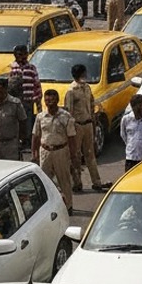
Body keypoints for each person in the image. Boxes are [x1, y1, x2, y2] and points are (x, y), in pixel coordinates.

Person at [31, 89, 78, 212]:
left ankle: (68, 206)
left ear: (57, 100)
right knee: (44, 180)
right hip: (45, 151)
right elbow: (35, 136)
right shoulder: (40, 116)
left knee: (64, 180)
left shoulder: (66, 117)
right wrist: (34, 153)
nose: (49, 102)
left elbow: (72, 137)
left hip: (61, 151)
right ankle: (46, 207)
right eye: (47, 100)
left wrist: (74, 156)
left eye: (52, 99)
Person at [63, 63, 105, 195]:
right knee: (75, 156)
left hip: (88, 124)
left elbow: (91, 104)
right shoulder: (71, 91)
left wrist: (93, 118)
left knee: (90, 154)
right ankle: (77, 183)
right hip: (77, 125)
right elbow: (68, 112)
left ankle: (96, 182)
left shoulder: (87, 88)